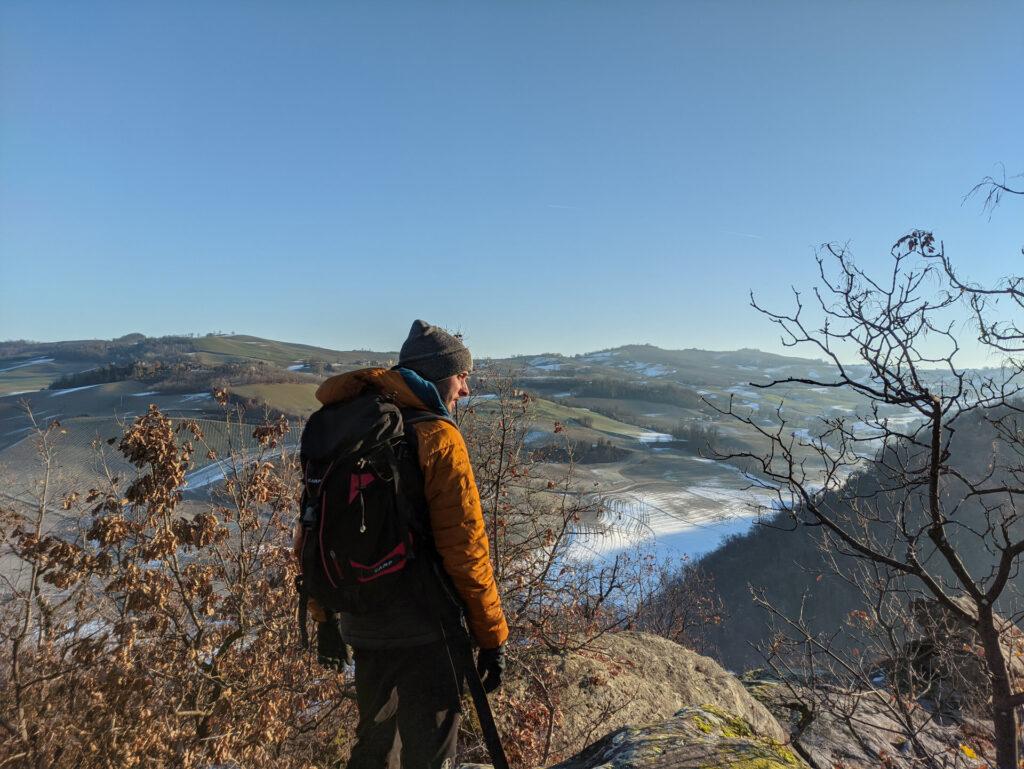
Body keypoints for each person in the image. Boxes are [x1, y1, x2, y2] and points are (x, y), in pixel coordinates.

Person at [295, 319, 509, 769]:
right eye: (461, 376)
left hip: (361, 618)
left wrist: (326, 617)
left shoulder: (347, 427)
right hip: (427, 623)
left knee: (374, 746)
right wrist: (492, 637)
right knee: (430, 753)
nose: (465, 390)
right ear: (437, 376)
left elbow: (311, 530)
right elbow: (465, 548)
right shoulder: (437, 437)